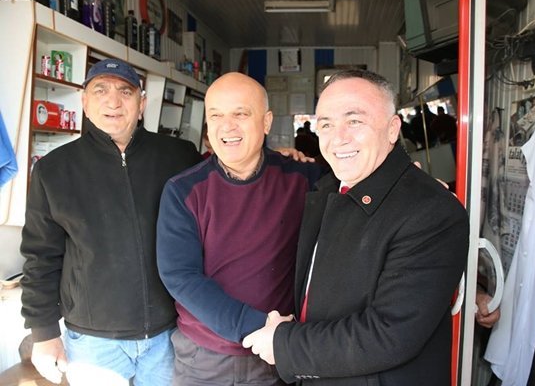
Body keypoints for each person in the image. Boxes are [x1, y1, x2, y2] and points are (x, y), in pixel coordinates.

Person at [242, 69, 469, 385]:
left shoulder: (431, 210)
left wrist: (284, 344)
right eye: (326, 124)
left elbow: (390, 334)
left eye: (355, 121)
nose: (338, 138)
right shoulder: (326, 189)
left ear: (393, 129)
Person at [20, 58, 202, 385]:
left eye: (125, 92)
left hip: (169, 333)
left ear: (141, 104)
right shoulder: (53, 170)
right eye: (100, 90)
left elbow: (229, 185)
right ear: (84, 102)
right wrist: (44, 332)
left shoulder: (180, 156)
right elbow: (40, 256)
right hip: (92, 341)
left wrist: (278, 160)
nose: (113, 101)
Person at [156, 72, 323, 385]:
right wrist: (257, 326)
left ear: (266, 122)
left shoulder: (303, 178)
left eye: (241, 114)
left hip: (277, 357)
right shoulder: (184, 190)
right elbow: (180, 276)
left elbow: (359, 185)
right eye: (216, 115)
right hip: (205, 358)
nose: (227, 126)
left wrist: (405, 180)